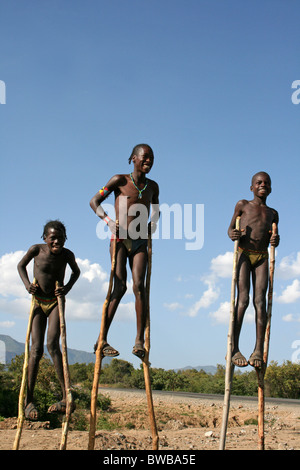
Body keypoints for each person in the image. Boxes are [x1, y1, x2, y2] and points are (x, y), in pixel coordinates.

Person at [90, 144, 160, 360]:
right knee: (119, 287)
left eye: (152, 158)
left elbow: (156, 211)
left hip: (140, 242)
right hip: (119, 240)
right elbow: (94, 201)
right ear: (133, 158)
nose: (148, 161)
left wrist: (152, 226)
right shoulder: (119, 180)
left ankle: (139, 341)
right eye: (144, 157)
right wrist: (109, 221)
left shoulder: (153, 187)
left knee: (140, 287)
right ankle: (101, 341)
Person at [17, 220, 80, 420]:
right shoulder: (36, 250)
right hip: (38, 302)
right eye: (53, 237)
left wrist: (67, 288)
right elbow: (20, 266)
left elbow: (76, 272)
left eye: (60, 237)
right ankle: (28, 401)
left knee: (53, 345)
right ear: (45, 238)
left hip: (55, 302)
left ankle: (66, 397)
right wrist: (28, 285)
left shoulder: (67, 255)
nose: (57, 241)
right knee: (35, 349)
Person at [228, 172, 279, 369]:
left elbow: (272, 236)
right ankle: (234, 348)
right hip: (244, 254)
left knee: (260, 302)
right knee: (243, 300)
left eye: (266, 183)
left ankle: (258, 349)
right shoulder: (243, 205)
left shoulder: (273, 213)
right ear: (252, 187)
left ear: (271, 188)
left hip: (262, 257)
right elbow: (230, 229)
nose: (262, 185)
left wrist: (275, 239)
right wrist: (234, 234)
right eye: (258, 183)